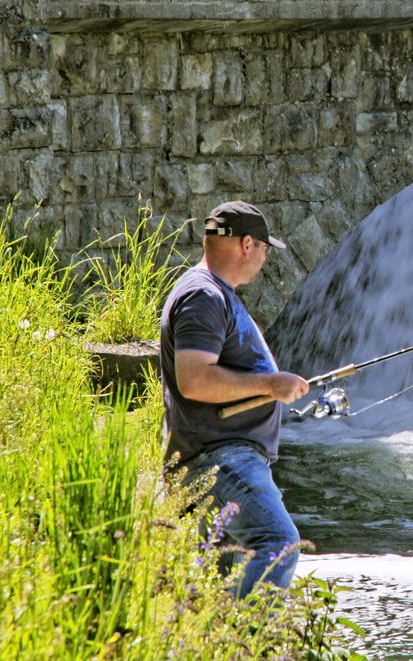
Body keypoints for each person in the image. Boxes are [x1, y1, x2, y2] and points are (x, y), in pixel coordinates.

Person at [160, 200, 309, 597]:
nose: (264, 258)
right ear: (247, 245)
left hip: (223, 458)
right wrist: (268, 386)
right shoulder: (204, 295)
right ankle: (251, 646)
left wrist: (272, 385)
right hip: (219, 457)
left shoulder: (213, 293)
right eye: (264, 248)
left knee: (220, 584)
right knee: (278, 543)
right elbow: (193, 379)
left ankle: (219, 643)